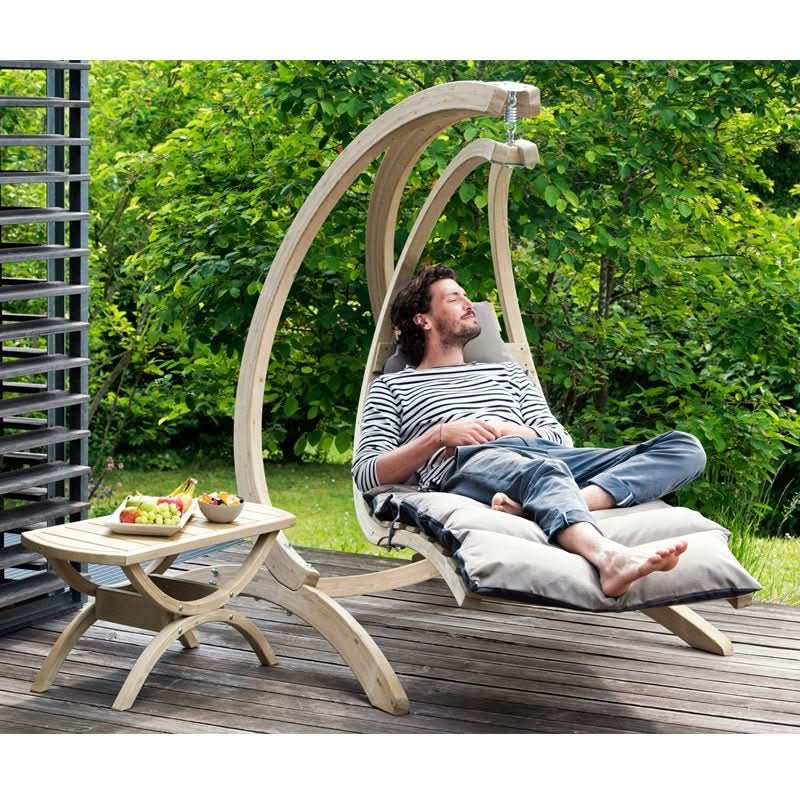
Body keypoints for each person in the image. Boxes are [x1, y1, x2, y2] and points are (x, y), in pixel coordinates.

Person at [352, 264, 707, 597]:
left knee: (684, 448)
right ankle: (609, 559)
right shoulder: (394, 386)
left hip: (544, 455)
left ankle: (543, 506)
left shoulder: (507, 374)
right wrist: (439, 436)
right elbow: (368, 474)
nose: (468, 303)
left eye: (466, 295)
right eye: (454, 297)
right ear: (423, 320)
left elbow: (559, 438)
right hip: (471, 463)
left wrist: (515, 429)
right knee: (545, 471)